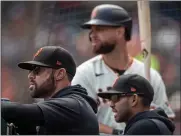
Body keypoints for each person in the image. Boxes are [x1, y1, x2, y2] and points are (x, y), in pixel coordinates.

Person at [71, 4, 175, 134]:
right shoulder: (84, 74)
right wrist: (116, 133)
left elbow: (168, 121)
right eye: (91, 29)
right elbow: (75, 120)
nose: (92, 35)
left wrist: (154, 119)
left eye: (99, 29)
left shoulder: (150, 75)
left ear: (120, 32)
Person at [1, 45, 99, 135]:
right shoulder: (67, 107)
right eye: (30, 71)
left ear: (59, 74)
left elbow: (10, 110)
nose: (30, 75)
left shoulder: (73, 105)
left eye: (37, 70)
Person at [98, 74, 175, 135]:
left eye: (115, 98)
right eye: (110, 99)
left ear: (134, 99)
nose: (111, 104)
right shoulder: (150, 124)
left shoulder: (144, 127)